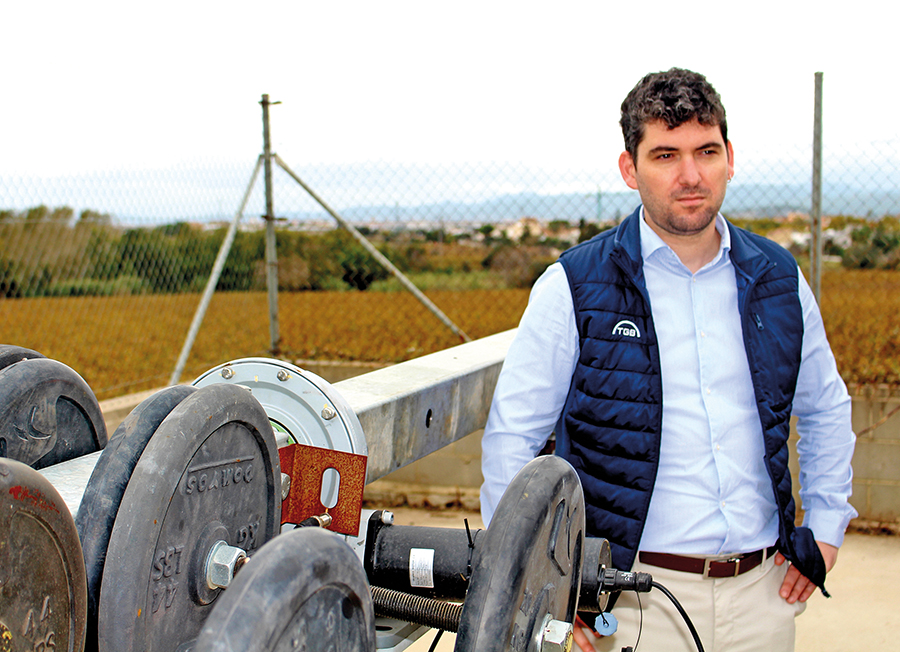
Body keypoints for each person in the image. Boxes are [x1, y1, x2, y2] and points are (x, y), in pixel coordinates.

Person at [479, 68, 856, 652]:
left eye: (706, 151)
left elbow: (826, 408)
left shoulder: (778, 279)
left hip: (763, 594)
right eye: (665, 155)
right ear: (629, 169)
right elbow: (513, 439)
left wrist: (826, 532)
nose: (691, 175)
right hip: (628, 603)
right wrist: (535, 583)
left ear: (730, 158)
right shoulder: (573, 286)